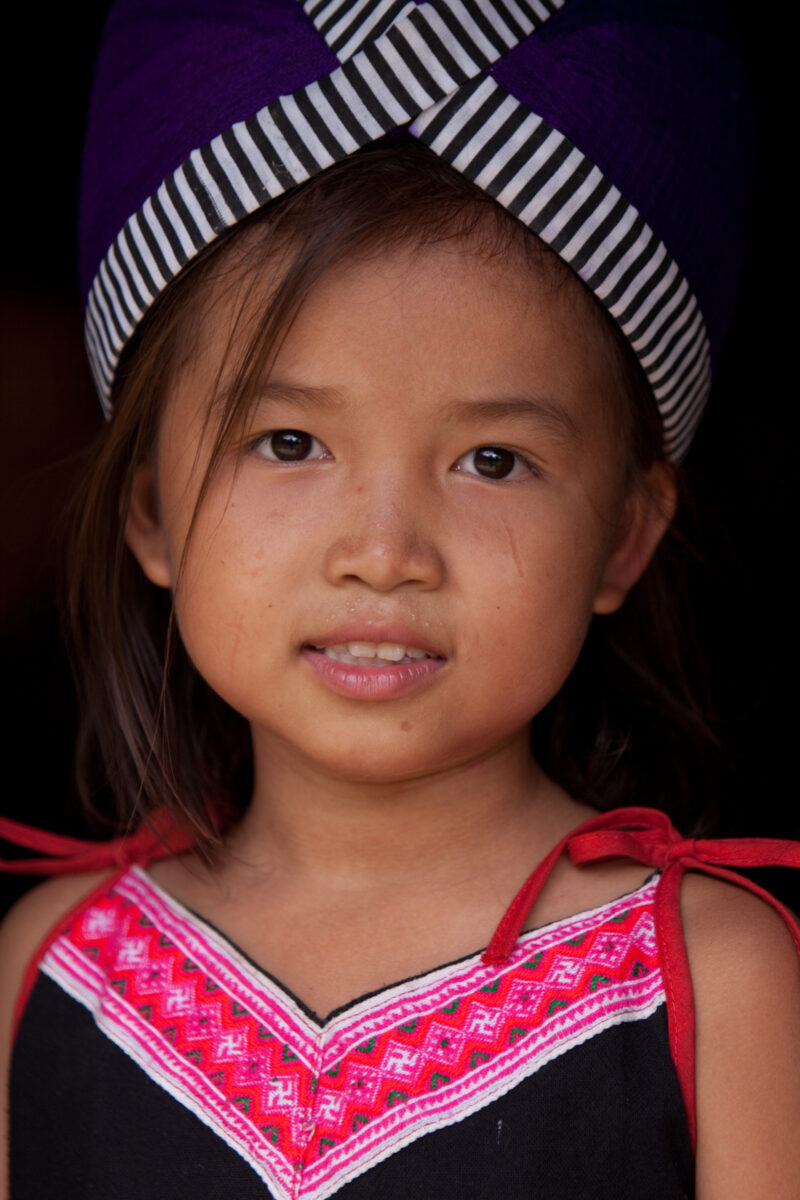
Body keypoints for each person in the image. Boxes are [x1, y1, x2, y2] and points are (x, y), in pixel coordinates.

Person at [1, 1, 798, 1196]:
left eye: (490, 461)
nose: (384, 553)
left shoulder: (706, 979)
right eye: (284, 442)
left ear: (623, 537)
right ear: (151, 509)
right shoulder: (51, 972)